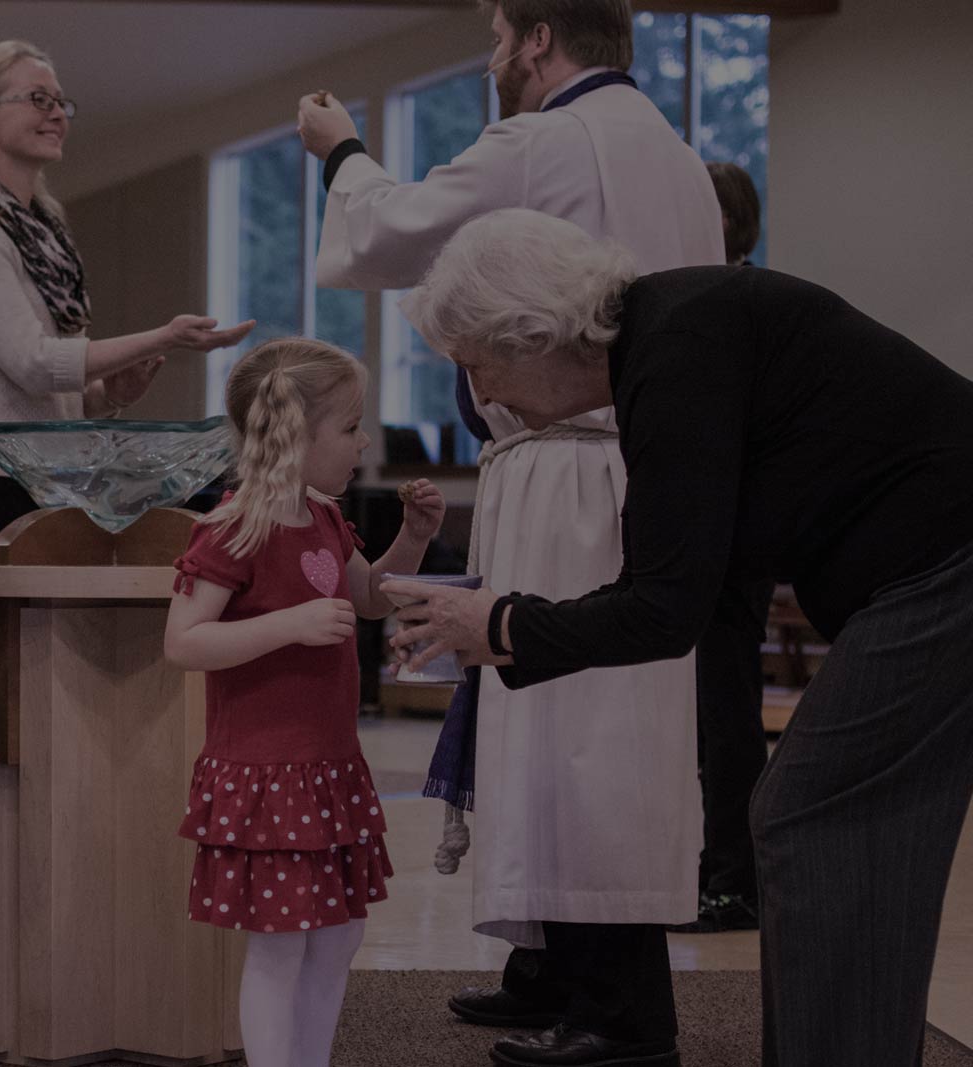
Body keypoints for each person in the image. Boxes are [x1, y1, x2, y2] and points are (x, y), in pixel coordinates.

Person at [389, 207, 973, 1067]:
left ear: (534, 332)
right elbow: (695, 580)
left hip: (949, 560)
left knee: (810, 816)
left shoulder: (676, 350)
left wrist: (501, 623)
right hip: (937, 562)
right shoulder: (674, 335)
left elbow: (666, 607)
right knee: (854, 819)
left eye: (479, 366)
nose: (486, 398)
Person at [297, 3, 722, 1063]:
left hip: (570, 455)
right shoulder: (674, 152)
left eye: (496, 33)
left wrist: (340, 149)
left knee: (579, 733)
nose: (494, 57)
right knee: (575, 731)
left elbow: (393, 231)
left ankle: (619, 1011)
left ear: (535, 38)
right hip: (633, 456)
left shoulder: (542, 136)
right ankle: (556, 969)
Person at [0, 37, 253, 997]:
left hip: (40, 480)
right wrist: (162, 337)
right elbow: (25, 363)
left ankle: (39, 922)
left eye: (63, 99)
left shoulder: (40, 228)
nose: (58, 112)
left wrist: (119, 382)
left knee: (36, 715)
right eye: (36, 98)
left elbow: (58, 391)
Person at [164, 337, 445, 1067]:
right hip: (266, 772)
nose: (365, 442)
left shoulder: (323, 519)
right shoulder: (233, 526)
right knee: (282, 945)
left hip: (325, 768)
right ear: (297, 433)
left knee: (339, 934)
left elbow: (370, 597)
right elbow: (184, 641)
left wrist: (412, 539)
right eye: (351, 426)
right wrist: (287, 624)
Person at [675, 160, 773, 934]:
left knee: (724, 709)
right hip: (708, 521)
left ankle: (733, 878)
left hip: (732, 527)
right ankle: (705, 866)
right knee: (704, 709)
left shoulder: (736, 301)